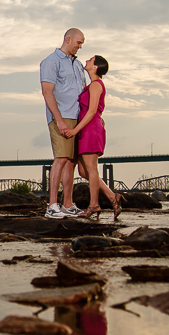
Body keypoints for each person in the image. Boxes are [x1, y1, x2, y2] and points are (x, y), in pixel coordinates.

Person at [64, 55, 122, 219]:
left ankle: (94, 204)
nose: (87, 61)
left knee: (91, 169)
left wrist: (75, 130)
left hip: (90, 129)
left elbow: (91, 111)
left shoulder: (96, 85)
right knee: (83, 171)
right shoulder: (90, 86)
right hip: (87, 128)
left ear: (95, 67)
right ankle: (112, 196)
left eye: (91, 60)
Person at [40, 28, 86, 219]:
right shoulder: (51, 62)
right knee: (60, 158)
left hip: (77, 117)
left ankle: (67, 204)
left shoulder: (78, 64)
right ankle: (52, 205)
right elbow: (47, 92)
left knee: (71, 162)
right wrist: (58, 120)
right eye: (79, 42)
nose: (80, 46)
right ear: (68, 39)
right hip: (62, 116)